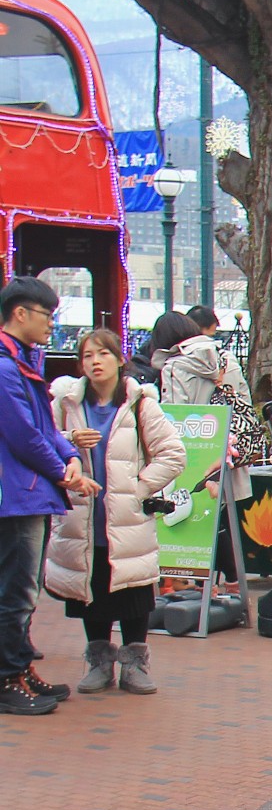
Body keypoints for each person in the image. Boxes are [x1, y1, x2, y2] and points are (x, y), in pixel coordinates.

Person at [45, 329, 185, 694]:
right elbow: (41, 444)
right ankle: (99, 662)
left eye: (103, 354)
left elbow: (172, 454)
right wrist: (69, 442)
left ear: (118, 358)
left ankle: (135, 663)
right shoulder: (66, 403)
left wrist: (137, 489)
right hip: (82, 517)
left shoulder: (141, 403)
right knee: (91, 590)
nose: (95, 361)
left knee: (133, 589)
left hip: (126, 520)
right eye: (88, 355)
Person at [0, 276, 95, 714]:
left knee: (23, 590)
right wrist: (64, 471)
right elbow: (22, 435)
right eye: (47, 315)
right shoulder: (4, 365)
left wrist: (68, 455)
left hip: (28, 493)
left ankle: (18, 670)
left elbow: (42, 428)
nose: (51, 325)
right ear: (20, 313)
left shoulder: (21, 362)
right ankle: (6, 679)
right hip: (14, 496)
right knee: (15, 593)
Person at [157, 322, 256, 584]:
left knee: (196, 519)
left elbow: (172, 417)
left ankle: (201, 586)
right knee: (222, 518)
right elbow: (244, 401)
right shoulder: (226, 358)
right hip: (228, 447)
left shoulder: (175, 366)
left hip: (194, 453)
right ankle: (233, 583)